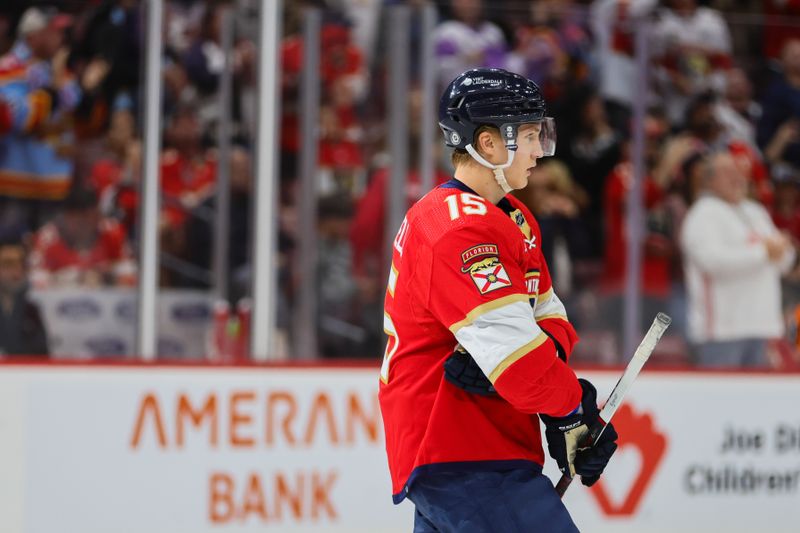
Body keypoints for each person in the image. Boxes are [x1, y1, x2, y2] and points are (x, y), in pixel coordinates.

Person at [378, 68, 619, 532]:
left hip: (486, 445)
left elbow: (550, 319)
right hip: (461, 449)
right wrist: (570, 408)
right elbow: (520, 367)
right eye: (529, 136)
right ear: (488, 144)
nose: (538, 150)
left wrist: (553, 398)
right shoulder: (457, 226)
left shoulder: (513, 216)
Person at [681, 151, 795, 367]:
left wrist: (782, 252)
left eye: (739, 171)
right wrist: (764, 253)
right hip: (723, 331)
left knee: (759, 400)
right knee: (719, 400)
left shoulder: (756, 212)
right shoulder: (702, 215)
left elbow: (783, 260)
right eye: (727, 172)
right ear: (709, 179)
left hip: (763, 326)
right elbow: (712, 263)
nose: (737, 177)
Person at [0, 235, 49, 357]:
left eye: (20, 265)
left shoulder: (31, 309)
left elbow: (42, 352)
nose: (16, 272)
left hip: (23, 372)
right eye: (7, 265)